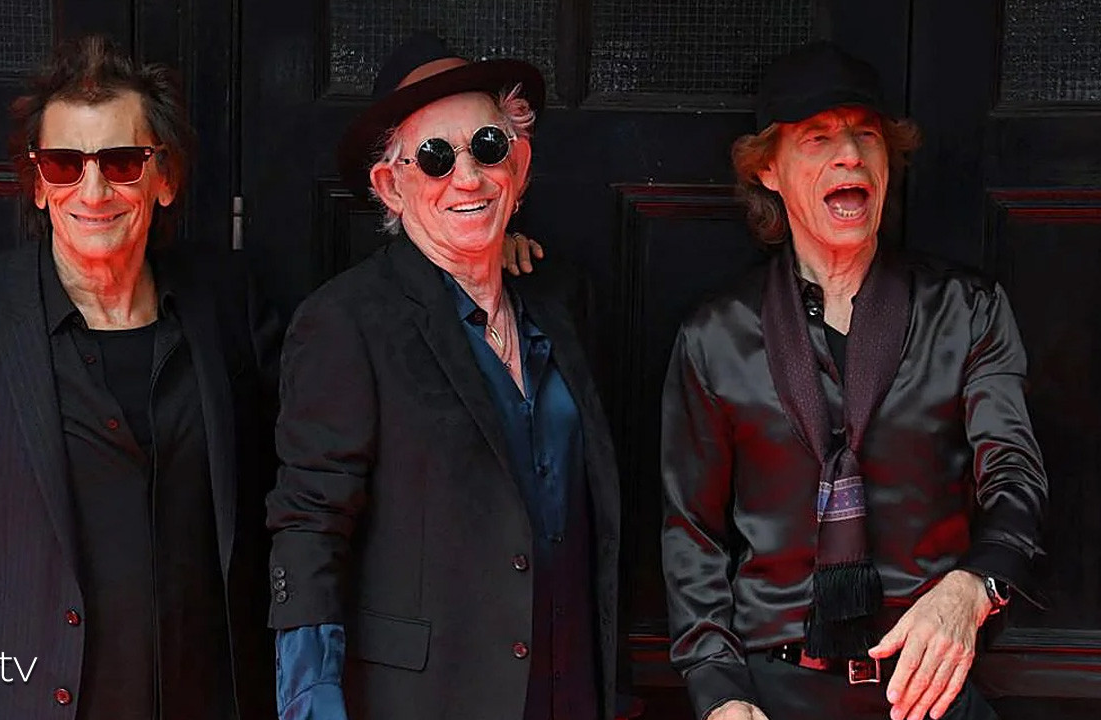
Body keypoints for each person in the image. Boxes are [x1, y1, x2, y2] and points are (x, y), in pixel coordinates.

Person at [0, 35, 279, 720]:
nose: (93, 191)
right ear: (38, 184)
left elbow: (288, 492)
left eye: (121, 162)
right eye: (64, 164)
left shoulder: (227, 303)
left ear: (164, 178)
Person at [660, 41, 1047, 720]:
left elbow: (1014, 476)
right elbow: (691, 532)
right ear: (769, 170)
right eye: (818, 138)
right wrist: (718, 692)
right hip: (771, 692)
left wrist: (976, 586)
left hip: (929, 690)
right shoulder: (714, 335)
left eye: (866, 135)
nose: (850, 156)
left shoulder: (966, 310)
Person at [265, 33, 623, 720]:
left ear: (518, 163)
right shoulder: (345, 321)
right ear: (390, 186)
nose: (467, 178)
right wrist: (312, 701)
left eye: (487, 147)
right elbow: (310, 525)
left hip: (567, 690)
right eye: (434, 157)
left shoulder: (562, 301)